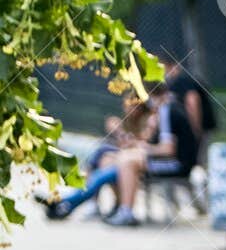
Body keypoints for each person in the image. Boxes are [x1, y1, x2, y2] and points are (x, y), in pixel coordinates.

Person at [45, 80, 198, 226]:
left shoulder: (167, 110)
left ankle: (125, 213)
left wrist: (142, 147)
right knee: (107, 159)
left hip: (178, 165)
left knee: (126, 160)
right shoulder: (165, 109)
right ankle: (71, 203)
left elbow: (168, 149)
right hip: (162, 160)